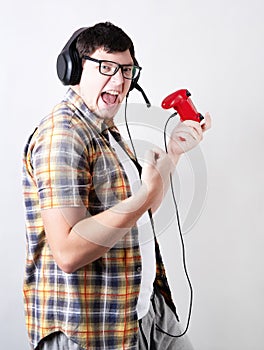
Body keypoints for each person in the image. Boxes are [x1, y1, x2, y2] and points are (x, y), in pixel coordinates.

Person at [22, 21, 211, 350]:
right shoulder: (64, 136)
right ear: (76, 69)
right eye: (106, 67)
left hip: (142, 311)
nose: (119, 81)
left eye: (126, 71)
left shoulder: (106, 131)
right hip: (92, 329)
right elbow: (67, 251)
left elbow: (142, 210)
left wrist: (174, 154)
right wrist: (141, 198)